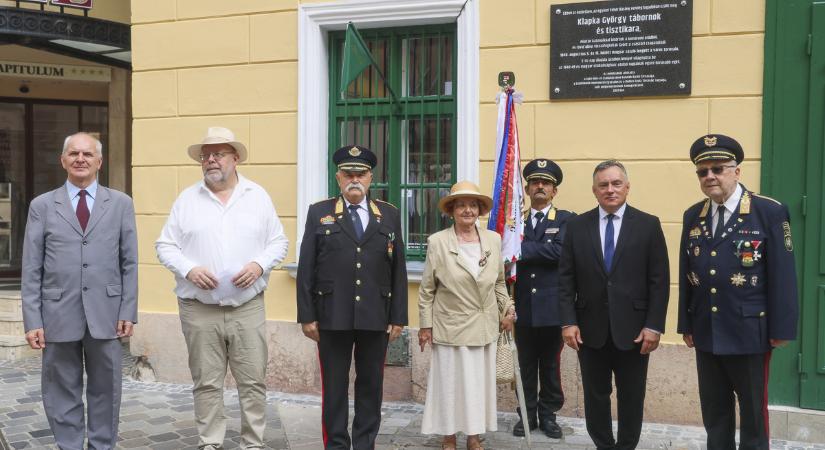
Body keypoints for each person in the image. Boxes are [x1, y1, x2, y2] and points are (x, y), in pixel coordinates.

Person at [156, 126, 289, 450]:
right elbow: (165, 245)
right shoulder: (186, 199)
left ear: (236, 158)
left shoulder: (257, 196)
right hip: (199, 308)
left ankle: (252, 443)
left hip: (247, 306)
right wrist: (190, 269)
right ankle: (210, 443)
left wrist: (259, 265)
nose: (211, 160)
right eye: (206, 155)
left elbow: (278, 242)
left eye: (218, 154)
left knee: (253, 381)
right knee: (206, 382)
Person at [677, 134, 798, 450]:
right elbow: (687, 273)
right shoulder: (694, 215)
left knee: (753, 415)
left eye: (717, 168)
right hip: (707, 331)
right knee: (714, 413)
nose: (710, 177)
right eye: (702, 172)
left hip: (749, 331)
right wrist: (686, 325)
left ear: (737, 171)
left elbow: (783, 275)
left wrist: (781, 329)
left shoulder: (767, 211)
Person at [21, 132, 138, 450]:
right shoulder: (42, 206)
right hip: (57, 312)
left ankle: (102, 445)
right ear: (63, 161)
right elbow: (32, 268)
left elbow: (130, 262)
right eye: (74, 154)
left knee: (106, 388)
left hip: (108, 313)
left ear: (99, 162)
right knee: (61, 388)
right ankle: (69, 444)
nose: (80, 159)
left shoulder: (121, 204)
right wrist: (33, 319)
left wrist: (128, 310)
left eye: (88, 154)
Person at [296, 145, 407, 450]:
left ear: (371, 177)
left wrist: (398, 316)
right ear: (338, 177)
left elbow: (398, 268)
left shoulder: (389, 213)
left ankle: (364, 444)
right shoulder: (320, 213)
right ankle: (336, 445)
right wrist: (307, 315)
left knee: (371, 386)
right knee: (334, 387)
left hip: (375, 314)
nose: (354, 179)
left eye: (361, 174)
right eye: (348, 174)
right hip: (332, 314)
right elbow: (306, 266)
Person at [559, 160, 669, 450]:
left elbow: (659, 281)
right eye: (603, 185)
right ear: (594, 190)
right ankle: (604, 446)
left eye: (616, 183)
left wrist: (653, 326)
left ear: (627, 187)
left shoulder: (648, 225)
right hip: (589, 329)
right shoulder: (576, 226)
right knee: (596, 395)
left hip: (634, 332)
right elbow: (565, 279)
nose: (610, 190)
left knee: (632, 396)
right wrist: (568, 322)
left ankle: (626, 446)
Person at [418, 181, 515, 450]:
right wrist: (425, 326)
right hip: (450, 325)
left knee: (477, 387)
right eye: (461, 205)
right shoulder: (438, 242)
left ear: (480, 210)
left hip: (484, 328)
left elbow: (498, 282)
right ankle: (449, 436)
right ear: (452, 210)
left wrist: (507, 308)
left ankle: (474, 436)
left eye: (473, 205)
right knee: (450, 386)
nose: (468, 210)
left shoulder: (493, 240)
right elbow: (427, 290)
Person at [512, 159, 575, 438]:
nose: (540, 186)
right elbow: (506, 253)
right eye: (535, 182)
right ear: (526, 188)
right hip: (522, 306)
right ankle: (526, 413)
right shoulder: (515, 221)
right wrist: (536, 249)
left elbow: (560, 254)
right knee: (524, 365)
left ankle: (549, 415)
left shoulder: (566, 220)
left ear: (554, 191)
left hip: (552, 308)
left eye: (546, 183)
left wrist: (521, 249)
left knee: (550, 365)